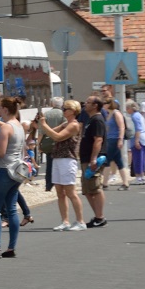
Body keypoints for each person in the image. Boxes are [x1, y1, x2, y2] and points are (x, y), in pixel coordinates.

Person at [39, 99, 87, 231]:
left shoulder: (74, 125)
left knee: (71, 192)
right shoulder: (66, 123)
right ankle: (65, 221)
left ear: (73, 111)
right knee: (60, 192)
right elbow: (50, 132)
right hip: (57, 157)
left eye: (65, 109)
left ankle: (80, 221)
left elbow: (57, 137)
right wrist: (42, 125)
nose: (63, 111)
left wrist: (44, 125)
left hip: (67, 159)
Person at [0, 97, 26, 258]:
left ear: (5, 109)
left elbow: (1, 152)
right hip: (17, 171)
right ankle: (11, 247)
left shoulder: (6, 128)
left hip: (4, 169)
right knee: (12, 209)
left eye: (0, 109)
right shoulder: (19, 126)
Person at [79, 97, 109, 227]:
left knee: (95, 187)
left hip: (93, 159)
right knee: (87, 189)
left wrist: (93, 158)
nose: (85, 104)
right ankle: (97, 216)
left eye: (88, 103)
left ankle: (100, 216)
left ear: (95, 105)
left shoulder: (97, 120)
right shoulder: (90, 119)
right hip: (85, 158)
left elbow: (98, 140)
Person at [101, 98, 128, 189]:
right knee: (118, 161)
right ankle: (125, 183)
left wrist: (120, 139)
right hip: (109, 139)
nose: (103, 105)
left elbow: (122, 127)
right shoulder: (108, 114)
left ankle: (105, 183)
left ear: (109, 104)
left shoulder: (116, 113)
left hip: (115, 139)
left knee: (107, 160)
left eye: (105, 103)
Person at [127, 101, 145, 185]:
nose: (127, 110)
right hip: (144, 138)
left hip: (139, 139)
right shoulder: (140, 115)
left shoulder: (134, 116)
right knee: (142, 159)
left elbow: (138, 129)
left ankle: (138, 177)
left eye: (127, 108)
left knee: (137, 159)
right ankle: (142, 176)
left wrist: (136, 141)